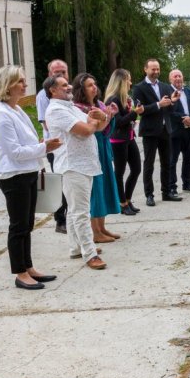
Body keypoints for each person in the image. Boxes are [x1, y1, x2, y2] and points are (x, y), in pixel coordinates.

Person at [0, 65, 62, 289]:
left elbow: (26, 145)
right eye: (20, 81)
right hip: (14, 176)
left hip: (28, 172)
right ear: (7, 85)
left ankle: (28, 266)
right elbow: (15, 152)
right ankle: (20, 273)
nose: (25, 85)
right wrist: (44, 149)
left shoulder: (17, 110)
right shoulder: (0, 115)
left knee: (28, 223)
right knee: (18, 225)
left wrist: (42, 146)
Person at [45, 74, 109, 270]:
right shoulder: (56, 110)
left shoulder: (70, 107)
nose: (69, 87)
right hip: (72, 165)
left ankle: (76, 247)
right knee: (81, 212)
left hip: (85, 164)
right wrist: (92, 123)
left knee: (74, 211)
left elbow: (99, 127)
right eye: (64, 85)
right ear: (52, 90)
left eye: (69, 84)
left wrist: (102, 117)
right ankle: (90, 254)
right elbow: (85, 130)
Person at [72, 73, 121, 243]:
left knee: (105, 186)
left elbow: (107, 128)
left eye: (95, 84)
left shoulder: (99, 104)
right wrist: (105, 118)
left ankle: (102, 227)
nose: (94, 87)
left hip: (104, 149)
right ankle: (95, 232)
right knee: (95, 190)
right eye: (89, 85)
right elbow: (95, 128)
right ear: (81, 89)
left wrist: (110, 116)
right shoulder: (78, 107)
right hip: (92, 150)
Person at [132, 58, 182, 206]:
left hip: (166, 130)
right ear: (145, 70)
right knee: (149, 163)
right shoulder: (139, 88)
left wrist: (173, 101)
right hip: (150, 131)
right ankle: (149, 195)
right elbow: (140, 110)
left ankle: (166, 192)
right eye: (153, 69)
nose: (156, 72)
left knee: (167, 162)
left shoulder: (166, 87)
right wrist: (158, 104)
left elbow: (171, 110)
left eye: (158, 69)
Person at [104, 69, 144, 216]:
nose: (131, 83)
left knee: (136, 168)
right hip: (118, 140)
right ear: (121, 81)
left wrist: (133, 113)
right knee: (119, 172)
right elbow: (119, 122)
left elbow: (127, 119)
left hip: (129, 137)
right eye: (128, 80)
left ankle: (127, 199)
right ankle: (121, 203)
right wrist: (135, 113)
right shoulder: (112, 100)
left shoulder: (124, 98)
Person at [38, 59, 70, 233]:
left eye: (63, 72)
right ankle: (60, 219)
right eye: (56, 72)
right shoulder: (44, 96)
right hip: (55, 147)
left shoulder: (68, 91)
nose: (60, 75)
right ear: (50, 74)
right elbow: (47, 123)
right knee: (60, 183)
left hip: (71, 146)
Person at [168, 69, 190, 194]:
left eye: (179, 76)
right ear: (170, 79)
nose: (178, 78)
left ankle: (187, 184)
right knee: (173, 160)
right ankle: (172, 187)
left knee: (189, 159)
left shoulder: (189, 91)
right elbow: (169, 112)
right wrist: (184, 118)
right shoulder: (167, 92)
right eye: (175, 76)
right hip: (175, 132)